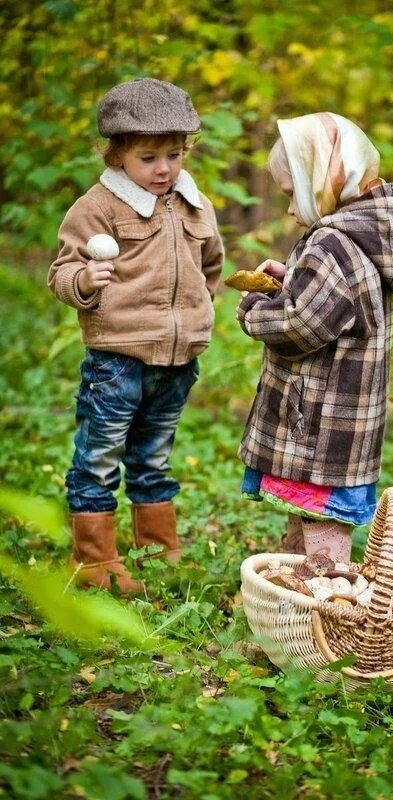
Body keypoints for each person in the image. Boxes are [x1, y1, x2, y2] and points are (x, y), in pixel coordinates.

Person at [48, 78, 224, 594]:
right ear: (117, 154)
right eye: (149, 157)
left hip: (177, 360)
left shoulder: (195, 204)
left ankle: (157, 552)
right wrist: (83, 282)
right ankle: (95, 561)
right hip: (116, 359)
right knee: (100, 457)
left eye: (173, 154)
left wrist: (198, 310)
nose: (164, 169)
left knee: (154, 455)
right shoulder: (97, 207)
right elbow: (62, 271)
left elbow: (210, 265)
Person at [237, 112, 393, 563]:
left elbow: (303, 324)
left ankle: (325, 608)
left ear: (320, 179)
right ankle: (296, 605)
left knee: (322, 522)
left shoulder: (332, 243)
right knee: (313, 513)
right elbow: (337, 303)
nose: (288, 208)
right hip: (345, 422)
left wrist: (253, 311)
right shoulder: (369, 234)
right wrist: (293, 278)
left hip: (320, 423)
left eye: (290, 193)